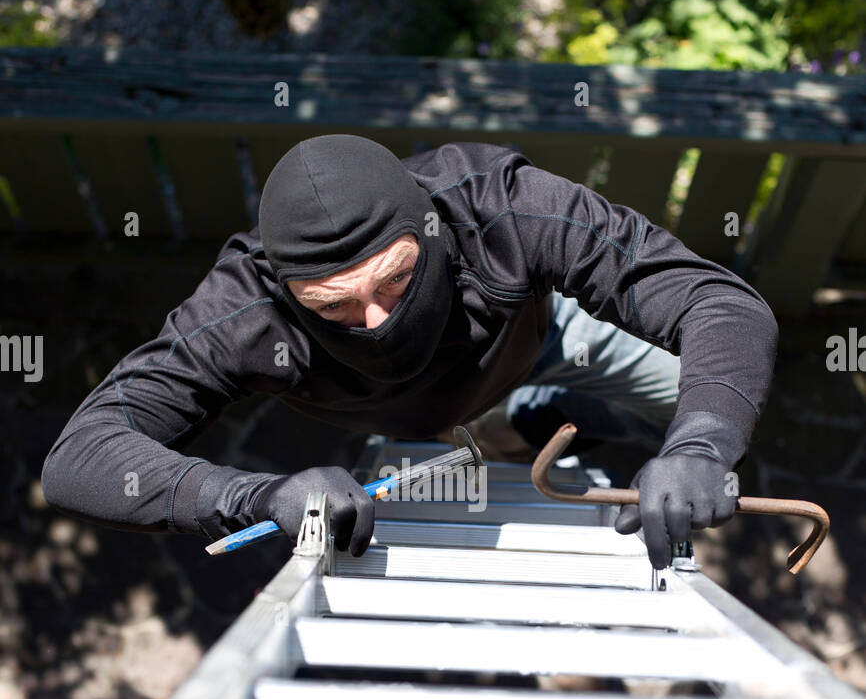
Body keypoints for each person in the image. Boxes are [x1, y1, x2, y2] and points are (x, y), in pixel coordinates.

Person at [42, 134, 778, 569]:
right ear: (283, 287)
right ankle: (503, 430)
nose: (374, 322)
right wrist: (252, 497)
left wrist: (705, 444)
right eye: (332, 308)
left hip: (553, 346)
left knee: (704, 399)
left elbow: (718, 303)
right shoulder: (244, 310)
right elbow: (82, 455)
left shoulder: (500, 205)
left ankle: (532, 417)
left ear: (432, 228)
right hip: (407, 423)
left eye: (396, 282)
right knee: (447, 446)